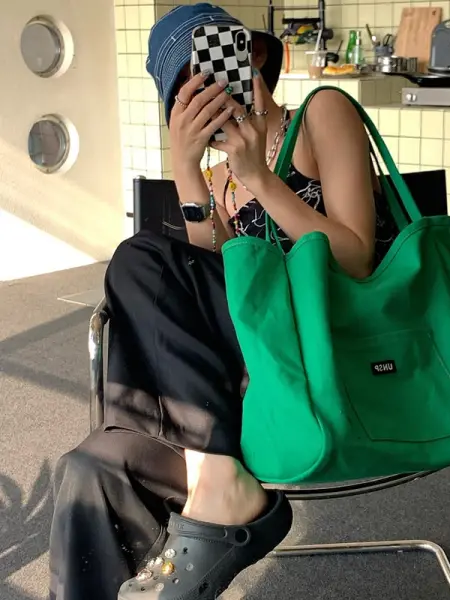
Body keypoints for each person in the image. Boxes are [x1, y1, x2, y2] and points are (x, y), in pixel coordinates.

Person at [48, 4, 398, 600]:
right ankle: (212, 475)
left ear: (253, 56)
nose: (206, 91)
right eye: (186, 88)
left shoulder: (321, 115)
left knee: (138, 257)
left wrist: (260, 176)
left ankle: (217, 480)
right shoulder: (217, 180)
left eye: (212, 65)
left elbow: (355, 259)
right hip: (252, 372)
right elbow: (217, 291)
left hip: (330, 345)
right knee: (91, 467)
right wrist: (189, 172)